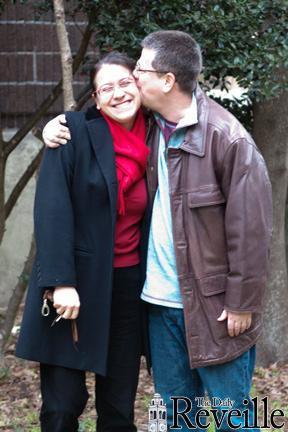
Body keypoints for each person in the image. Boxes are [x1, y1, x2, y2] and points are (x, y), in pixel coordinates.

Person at [42, 31, 273, 431]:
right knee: (176, 414)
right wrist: (51, 128)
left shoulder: (226, 138)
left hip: (213, 306)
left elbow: (250, 230)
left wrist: (242, 301)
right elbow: (91, 133)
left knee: (232, 415)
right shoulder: (152, 127)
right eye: (120, 80)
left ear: (166, 81)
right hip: (158, 302)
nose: (131, 81)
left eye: (138, 72)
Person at [16, 51, 150, 432]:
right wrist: (61, 282)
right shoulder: (72, 131)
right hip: (73, 287)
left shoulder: (158, 133)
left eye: (125, 82)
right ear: (94, 98)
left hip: (127, 286)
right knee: (61, 406)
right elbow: (52, 211)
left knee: (119, 410)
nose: (119, 93)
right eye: (106, 88)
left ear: (139, 84)